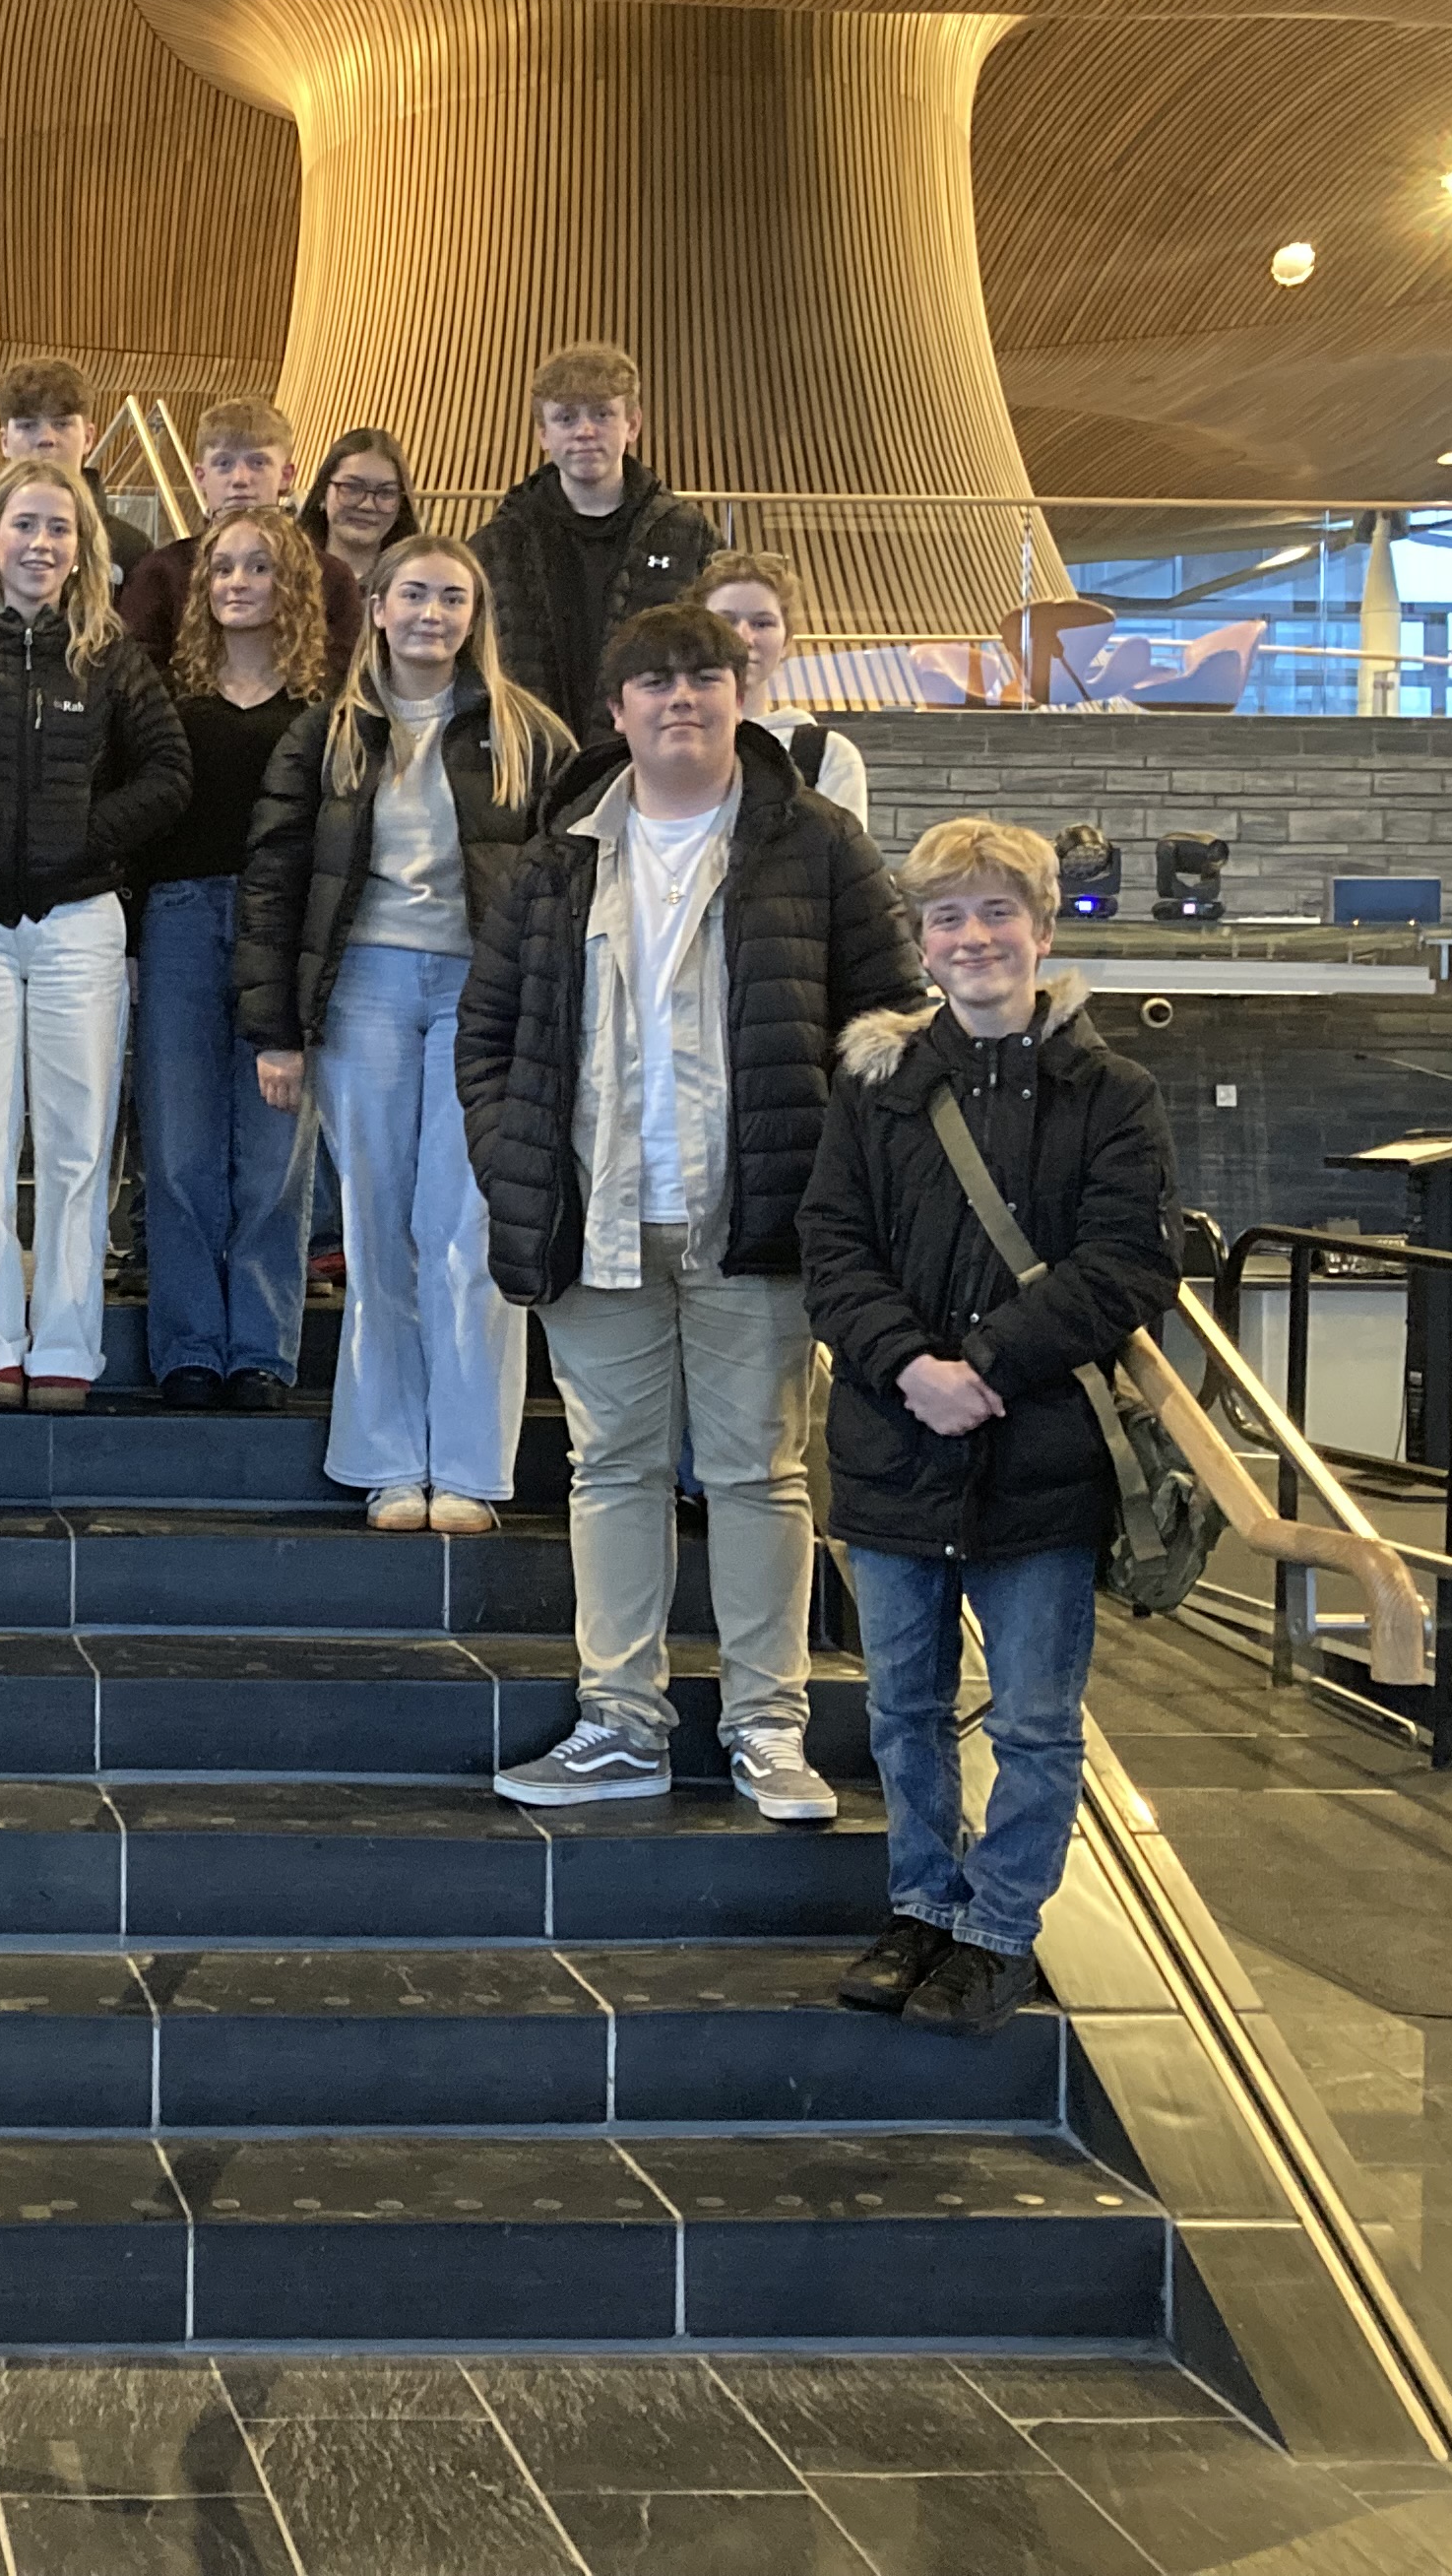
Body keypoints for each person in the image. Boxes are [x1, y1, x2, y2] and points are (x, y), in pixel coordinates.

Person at [467, 601, 926, 1825]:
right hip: (597, 1220)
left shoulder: (816, 841)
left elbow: (892, 1024)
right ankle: (621, 1722)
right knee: (609, 1470)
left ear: (740, 693)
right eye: (657, 681)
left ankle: (769, 1727)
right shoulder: (558, 854)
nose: (683, 697)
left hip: (759, 1220)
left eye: (705, 676)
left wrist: (840, 1184)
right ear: (618, 711)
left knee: (759, 1474)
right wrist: (513, 1162)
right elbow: (489, 1035)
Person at [799, 816, 1180, 2037]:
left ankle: (998, 1930)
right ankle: (920, 1904)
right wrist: (912, 1367)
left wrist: (987, 1365)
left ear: (1044, 929)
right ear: (921, 942)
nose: (974, 937)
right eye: (948, 916)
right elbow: (832, 1247)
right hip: (895, 1443)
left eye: (997, 911)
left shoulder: (1112, 1094)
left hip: (1040, 1455)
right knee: (902, 1709)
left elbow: (1131, 1263)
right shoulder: (875, 1089)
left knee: (1033, 1721)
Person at [243, 537, 575, 1526]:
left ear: (476, 616)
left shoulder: (529, 734)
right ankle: (389, 1461)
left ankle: (469, 1469)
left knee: (464, 1230)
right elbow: (275, 882)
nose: (434, 613)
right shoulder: (326, 733)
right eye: (415, 594)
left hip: (484, 997)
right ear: (378, 607)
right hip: (365, 993)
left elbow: (570, 887)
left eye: (454, 598)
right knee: (380, 1230)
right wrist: (275, 1030)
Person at [0, 456, 190, 1410]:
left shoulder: (110, 655)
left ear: (82, 548)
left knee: (79, 1147)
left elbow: (169, 773)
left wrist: (87, 836)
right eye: (25, 525)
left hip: (79, 920)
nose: (41, 544)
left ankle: (69, 1349)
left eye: (60, 528)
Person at [131, 505, 330, 1412]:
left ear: (293, 587)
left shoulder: (322, 716)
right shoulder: (168, 707)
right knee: (178, 1150)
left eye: (259, 567)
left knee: (274, 1156)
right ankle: (188, 1346)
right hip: (178, 920)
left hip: (282, 929)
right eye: (223, 568)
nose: (238, 583)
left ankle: (260, 1349)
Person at [476, 341, 721, 736]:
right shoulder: (499, 544)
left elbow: (717, 649)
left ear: (632, 425)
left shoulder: (688, 536)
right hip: (531, 749)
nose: (585, 431)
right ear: (544, 434)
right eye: (566, 418)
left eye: (602, 414)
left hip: (649, 749)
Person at [117, 398, 363, 673]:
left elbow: (341, 677)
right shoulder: (159, 574)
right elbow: (138, 675)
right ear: (200, 476)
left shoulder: (330, 577)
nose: (240, 479)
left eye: (258, 463)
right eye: (224, 463)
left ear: (286, 475)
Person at [697, 547, 870, 824]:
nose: (744, 637)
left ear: (787, 641)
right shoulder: (668, 739)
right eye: (725, 621)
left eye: (762, 623)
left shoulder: (827, 756)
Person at [0, 357, 156, 584]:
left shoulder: (132, 551)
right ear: (4, 442)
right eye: (28, 425)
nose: (46, 439)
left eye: (61, 424)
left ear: (88, 438)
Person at [304, 426, 420, 579]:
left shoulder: (416, 582)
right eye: (352, 487)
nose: (367, 505)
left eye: (385, 492)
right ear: (322, 492)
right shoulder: (284, 576)